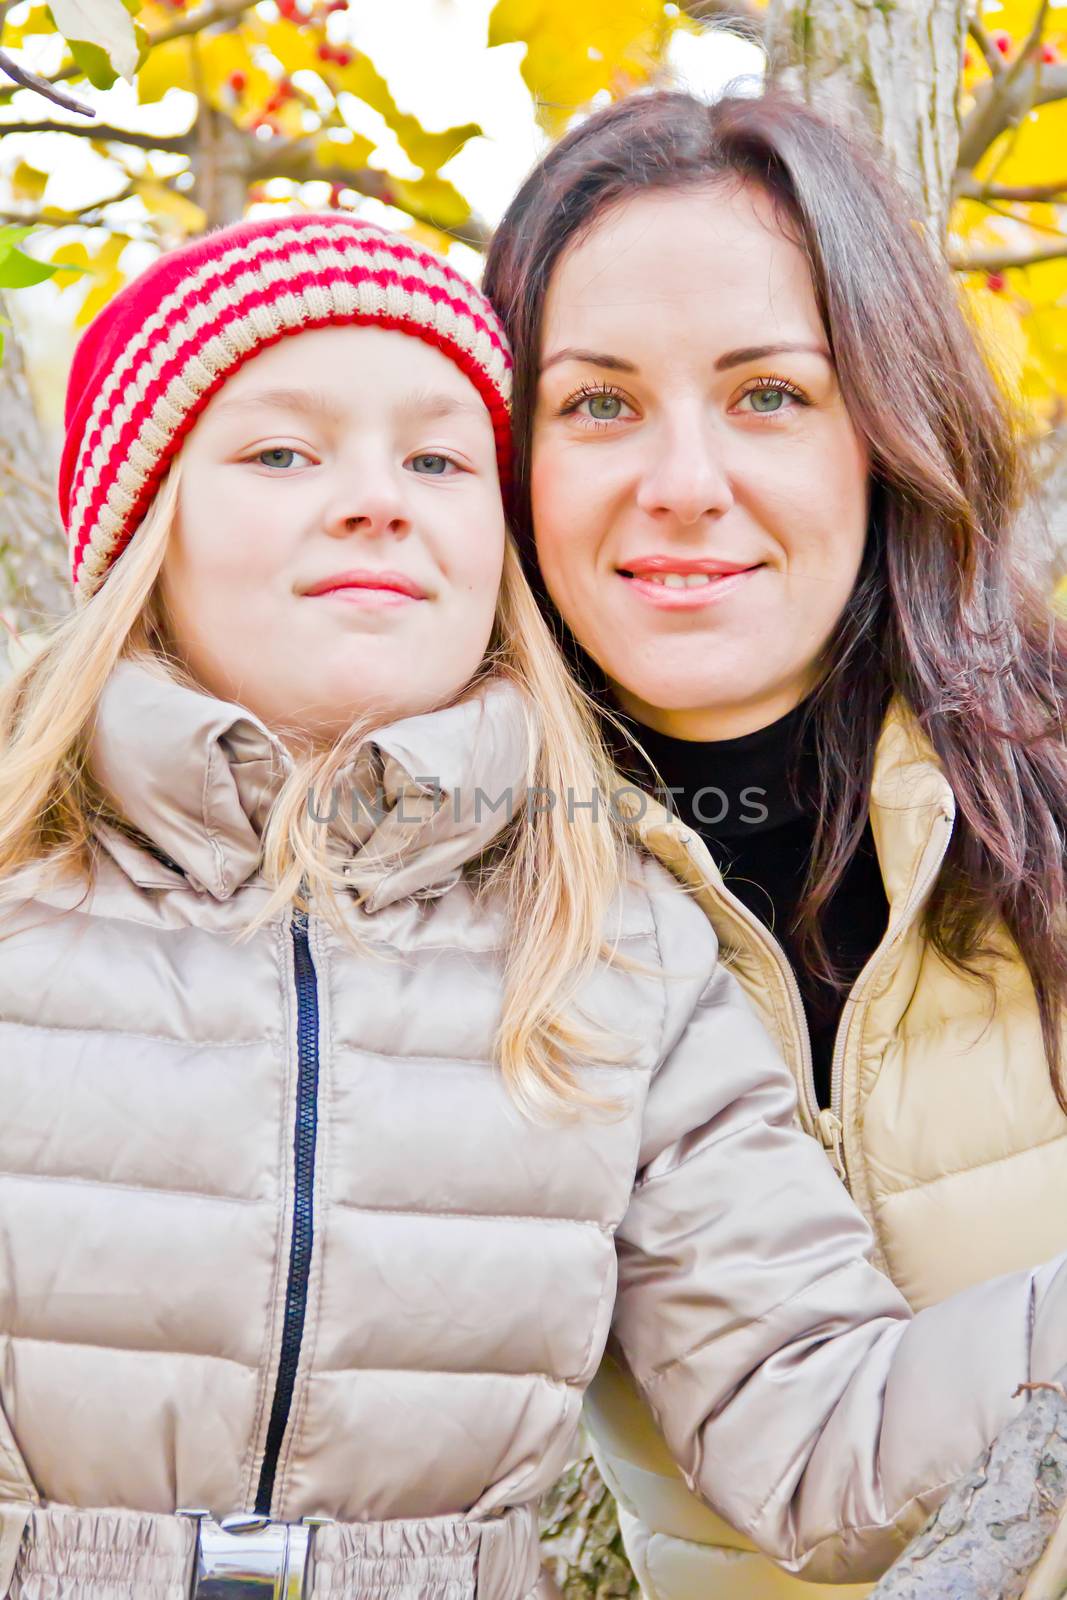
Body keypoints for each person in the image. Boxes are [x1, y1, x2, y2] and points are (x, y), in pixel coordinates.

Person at [0, 209, 1064, 1600]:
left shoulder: (612, 944)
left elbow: (814, 1436)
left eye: (438, 458)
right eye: (280, 452)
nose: (378, 498)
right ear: (145, 528)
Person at [483, 88, 1067, 1599]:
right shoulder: (435, 905)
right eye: (597, 403)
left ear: (885, 429)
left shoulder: (1053, 791)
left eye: (770, 395)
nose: (682, 480)